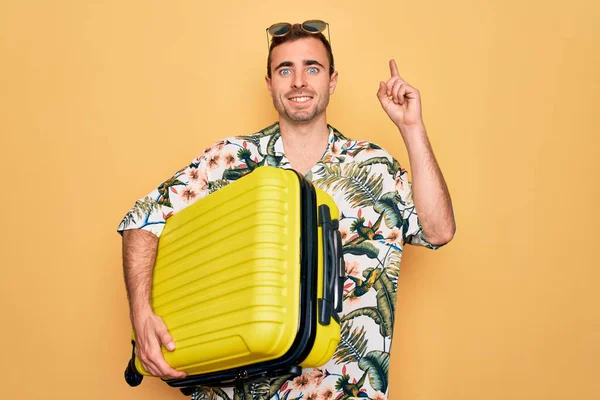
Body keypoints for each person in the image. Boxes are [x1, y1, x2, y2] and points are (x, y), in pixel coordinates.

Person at [118, 20, 455, 400]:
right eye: (285, 70)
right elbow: (141, 221)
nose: (299, 81)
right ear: (269, 84)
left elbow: (438, 230)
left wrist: (412, 128)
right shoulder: (229, 159)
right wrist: (141, 314)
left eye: (312, 68)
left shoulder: (375, 166)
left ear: (332, 81)